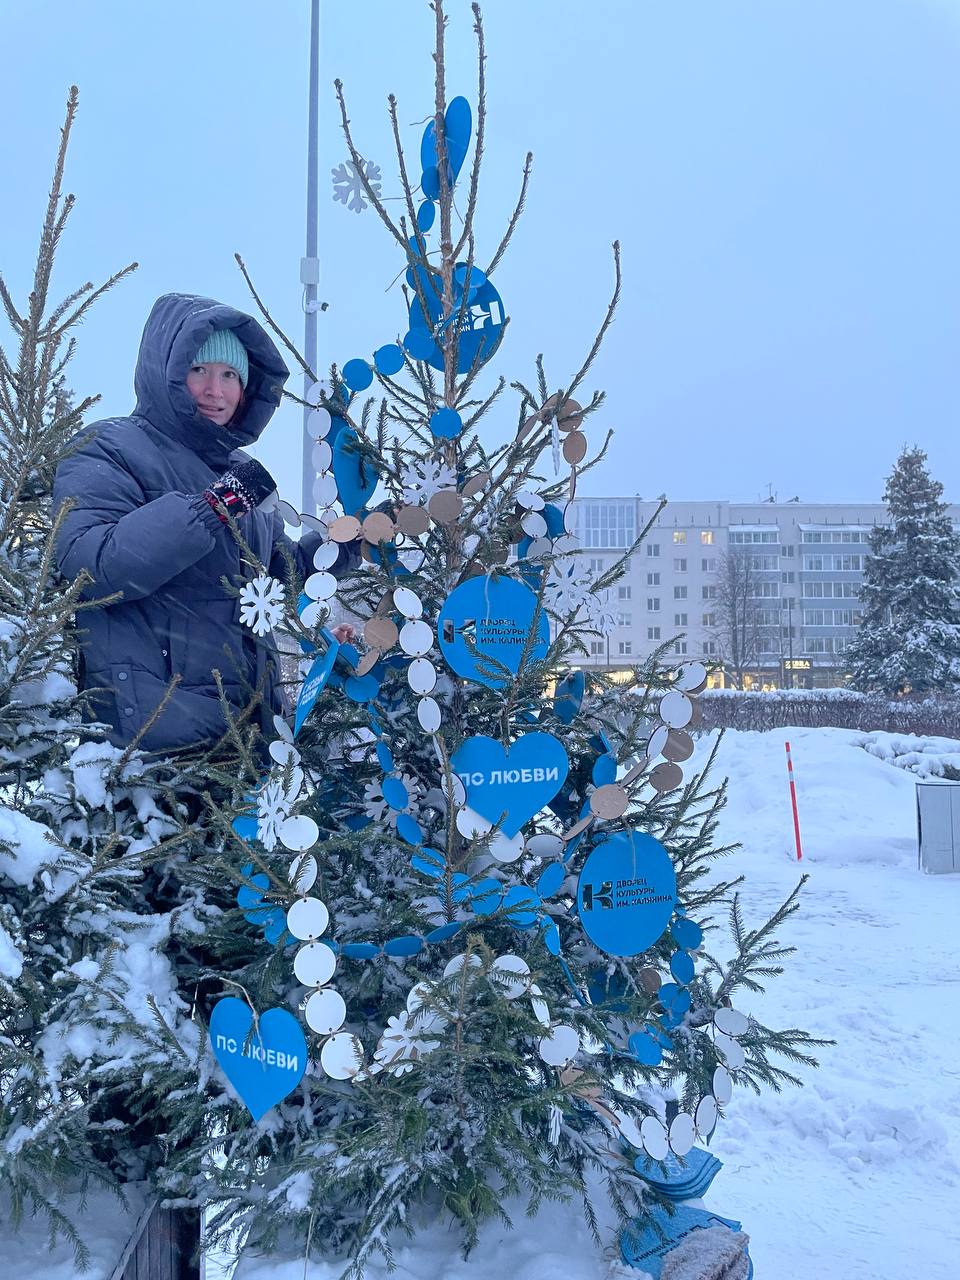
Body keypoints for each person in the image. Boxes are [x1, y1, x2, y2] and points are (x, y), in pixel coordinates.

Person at [53, 292, 353, 754]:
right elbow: (91, 567)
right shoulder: (110, 448)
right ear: (167, 374)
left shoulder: (237, 470)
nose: (216, 390)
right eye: (198, 370)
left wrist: (353, 541)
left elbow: (280, 575)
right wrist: (212, 507)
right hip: (154, 746)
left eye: (230, 375)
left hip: (246, 737)